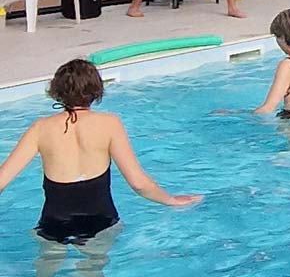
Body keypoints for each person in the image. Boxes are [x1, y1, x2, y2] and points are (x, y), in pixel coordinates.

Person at [0, 59, 202, 243]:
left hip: (54, 223)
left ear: (57, 91)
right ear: (96, 90)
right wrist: (171, 200)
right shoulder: (110, 124)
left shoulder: (40, 128)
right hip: (101, 220)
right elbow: (138, 183)